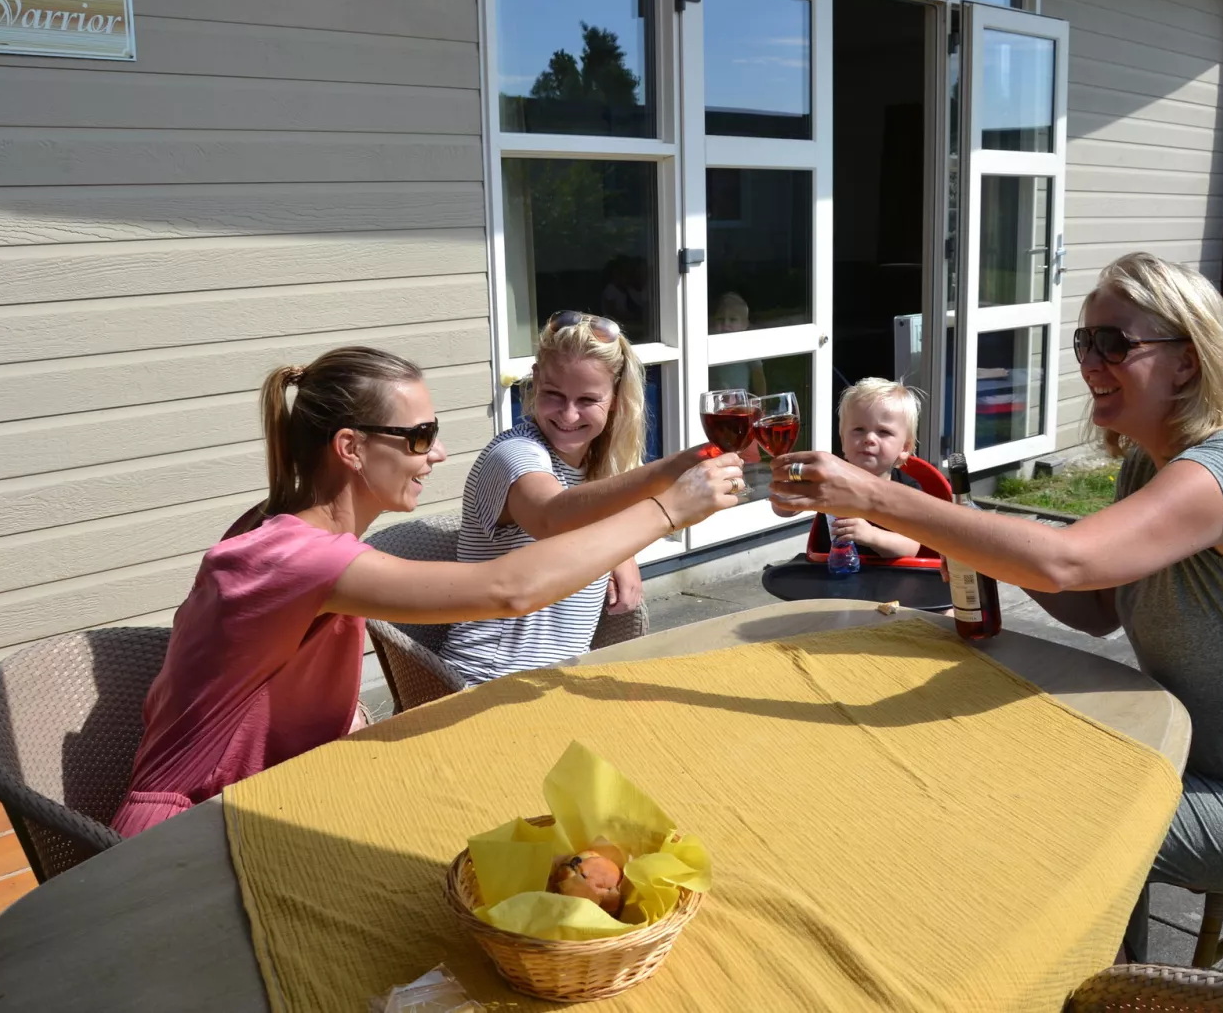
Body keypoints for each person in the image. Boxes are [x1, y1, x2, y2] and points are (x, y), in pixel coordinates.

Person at [769, 252, 1223, 898]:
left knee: (1042, 823)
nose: (1090, 362)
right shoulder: (1149, 464)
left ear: (1188, 360)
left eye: (1114, 343)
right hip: (1189, 752)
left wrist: (877, 497)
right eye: (1085, 341)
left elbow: (1066, 560)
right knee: (997, 761)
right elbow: (1095, 606)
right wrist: (978, 539)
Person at [112, 346, 742, 837]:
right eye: (418, 437)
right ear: (351, 448)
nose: (437, 454)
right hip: (192, 831)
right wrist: (667, 511)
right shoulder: (295, 556)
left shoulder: (283, 524)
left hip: (279, 796)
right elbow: (508, 589)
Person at [440, 312, 736, 685]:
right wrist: (669, 473)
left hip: (556, 683)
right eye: (553, 395)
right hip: (487, 682)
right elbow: (552, 518)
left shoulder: (597, 467)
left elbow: (586, 511)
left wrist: (621, 553)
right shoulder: (514, 454)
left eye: (587, 399)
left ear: (614, 398)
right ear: (534, 380)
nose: (568, 414)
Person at [783, 378, 924, 561]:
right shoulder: (829, 476)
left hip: (888, 578)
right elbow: (783, 510)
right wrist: (788, 490)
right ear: (842, 440)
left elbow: (911, 548)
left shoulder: (907, 490)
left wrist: (870, 535)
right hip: (829, 572)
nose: (869, 438)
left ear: (904, 448)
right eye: (859, 429)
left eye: (883, 432)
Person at [707, 292, 768, 397]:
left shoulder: (746, 345)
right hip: (713, 400)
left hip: (738, 400)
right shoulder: (710, 345)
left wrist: (762, 401)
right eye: (720, 319)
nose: (726, 324)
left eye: (732, 319)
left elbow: (758, 376)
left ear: (744, 325)